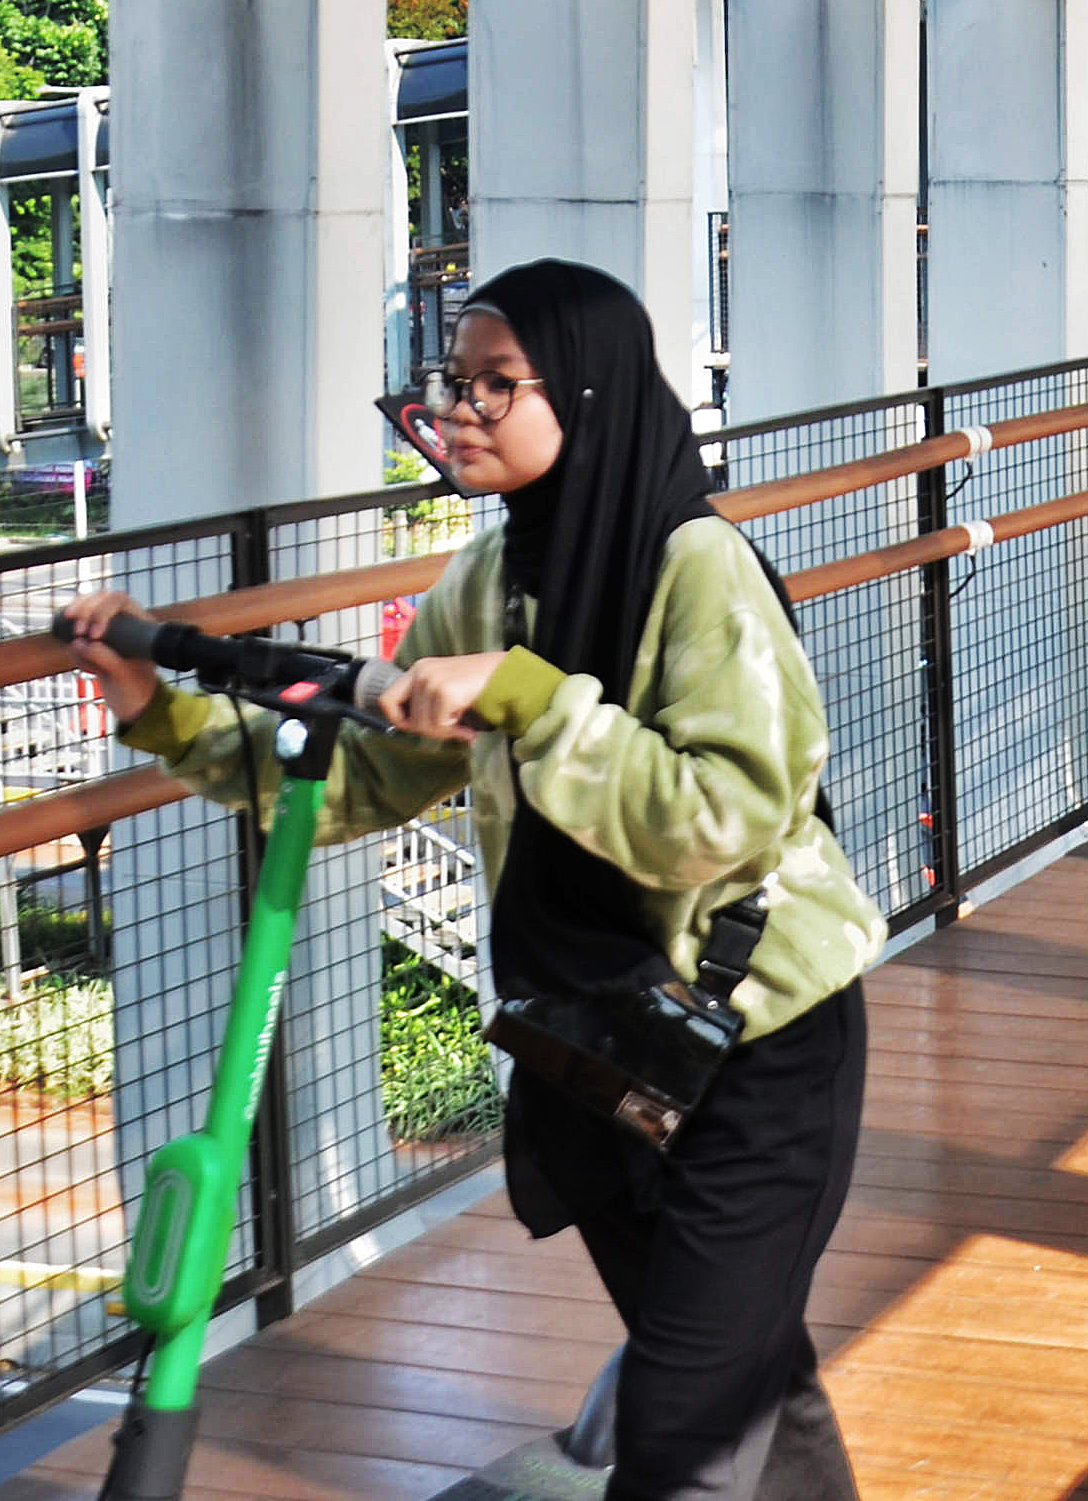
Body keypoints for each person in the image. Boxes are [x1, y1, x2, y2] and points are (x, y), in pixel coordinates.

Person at [62, 259, 880, 1501]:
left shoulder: (697, 567)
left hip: (759, 1037)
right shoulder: (492, 580)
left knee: (684, 1428)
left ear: (590, 392)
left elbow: (729, 816)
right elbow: (363, 780)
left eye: (499, 385)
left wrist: (540, 701)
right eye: (456, 381)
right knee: (728, 1370)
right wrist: (160, 714)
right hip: (600, 1042)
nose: (459, 410)